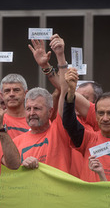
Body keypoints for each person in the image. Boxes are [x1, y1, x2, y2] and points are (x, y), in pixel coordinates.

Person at [62, 68, 110, 182]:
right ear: (96, 116)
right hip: (88, 198)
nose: (105, 118)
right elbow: (69, 123)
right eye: (101, 113)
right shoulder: (89, 139)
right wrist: (71, 92)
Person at [12, 34, 72, 173]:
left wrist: (59, 56)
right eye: (28, 109)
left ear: (51, 111)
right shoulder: (16, 143)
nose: (32, 113)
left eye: (37, 108)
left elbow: (65, 91)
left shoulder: (59, 130)